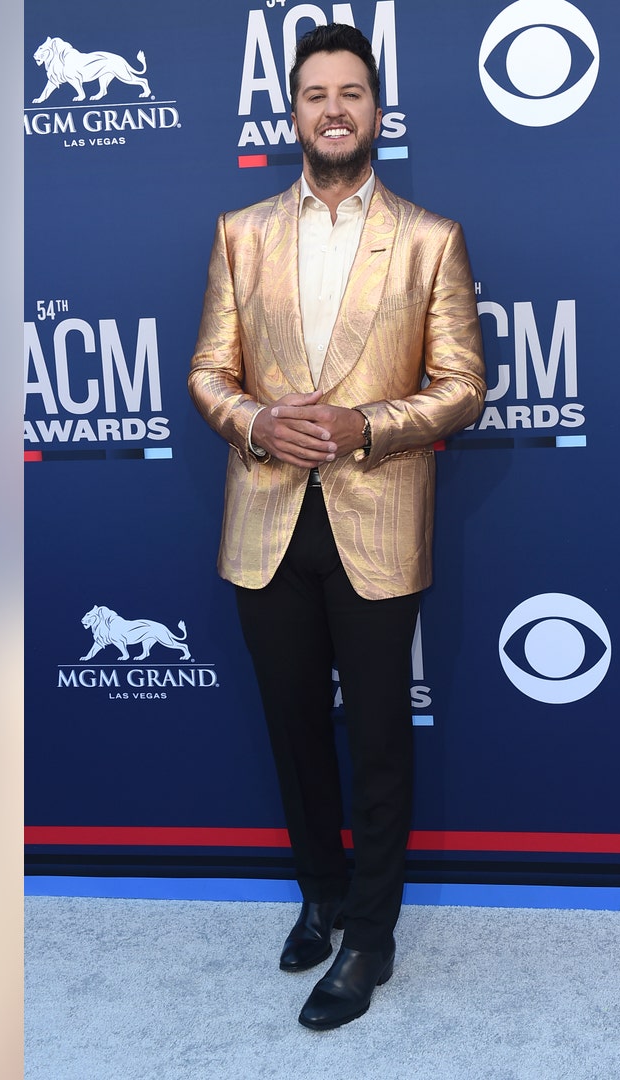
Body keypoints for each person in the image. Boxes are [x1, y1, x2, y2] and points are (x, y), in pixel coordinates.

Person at [186, 23, 486, 1032]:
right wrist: (259, 420)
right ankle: (318, 891)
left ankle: (370, 934)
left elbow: (462, 388)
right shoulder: (241, 232)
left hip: (377, 517)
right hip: (266, 515)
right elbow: (205, 375)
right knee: (292, 727)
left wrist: (364, 426)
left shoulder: (431, 239)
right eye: (315, 94)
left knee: (382, 740)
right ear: (292, 113)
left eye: (350, 92)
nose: (333, 110)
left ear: (377, 111)